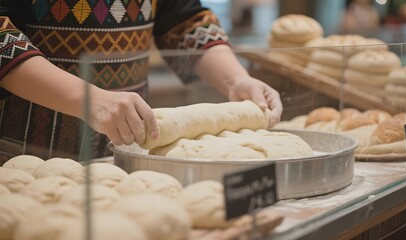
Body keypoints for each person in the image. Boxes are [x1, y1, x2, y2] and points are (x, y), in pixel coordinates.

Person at [0, 0, 283, 163]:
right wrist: (89, 101)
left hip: (127, 155)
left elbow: (183, 20)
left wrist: (235, 79)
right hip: (23, 157)